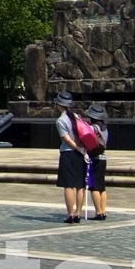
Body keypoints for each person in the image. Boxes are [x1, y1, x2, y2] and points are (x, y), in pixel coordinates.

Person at [55, 92, 86, 224]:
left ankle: (71, 214)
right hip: (80, 153)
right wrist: (81, 149)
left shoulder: (61, 120)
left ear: (59, 105)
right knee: (80, 185)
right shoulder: (76, 117)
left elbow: (65, 138)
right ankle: (79, 212)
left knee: (68, 185)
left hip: (68, 153)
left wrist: (75, 147)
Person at [85, 103, 109, 221]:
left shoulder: (93, 128)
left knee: (93, 187)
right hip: (103, 158)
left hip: (94, 158)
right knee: (101, 187)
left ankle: (98, 212)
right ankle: (103, 211)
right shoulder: (105, 128)